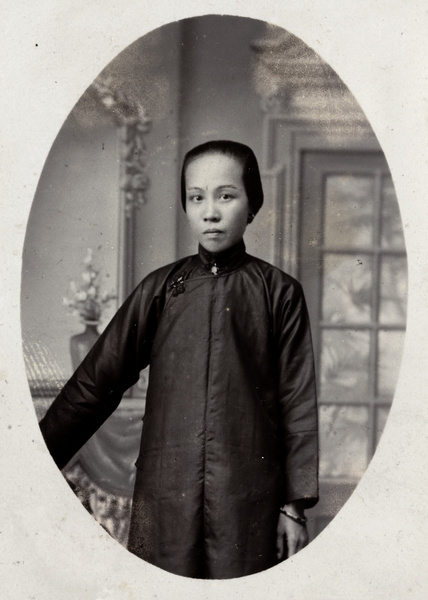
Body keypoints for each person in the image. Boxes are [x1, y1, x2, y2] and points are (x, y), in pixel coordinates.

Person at [40, 140, 319, 579]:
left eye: (226, 195)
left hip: (246, 494)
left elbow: (297, 404)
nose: (210, 211)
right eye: (196, 197)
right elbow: (95, 383)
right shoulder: (160, 288)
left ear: (252, 204)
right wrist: (32, 458)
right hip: (163, 494)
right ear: (186, 206)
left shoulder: (279, 292)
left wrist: (294, 507)